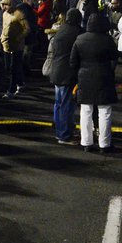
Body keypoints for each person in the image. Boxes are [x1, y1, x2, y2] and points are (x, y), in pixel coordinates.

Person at [71, 12, 118, 153]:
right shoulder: (107, 40)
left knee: (86, 110)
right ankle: (104, 144)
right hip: (104, 76)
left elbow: (73, 62)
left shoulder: (79, 39)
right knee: (104, 111)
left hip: (85, 77)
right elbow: (114, 57)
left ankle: (86, 142)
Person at [47, 9, 82, 144]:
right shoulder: (76, 32)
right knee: (66, 105)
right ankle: (64, 135)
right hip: (67, 73)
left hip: (56, 70)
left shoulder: (61, 30)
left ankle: (59, 129)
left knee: (59, 103)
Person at [0, 0, 29, 98]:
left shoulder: (18, 14)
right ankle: (20, 83)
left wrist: (18, 38)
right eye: (3, 4)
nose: (4, 7)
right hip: (6, 44)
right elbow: (4, 27)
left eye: (6, 5)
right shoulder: (5, 14)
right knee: (9, 67)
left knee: (13, 68)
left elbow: (27, 29)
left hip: (16, 46)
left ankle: (11, 90)